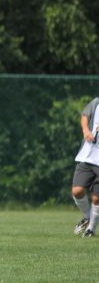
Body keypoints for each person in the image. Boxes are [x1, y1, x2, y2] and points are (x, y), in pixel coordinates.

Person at [72, 97, 99, 237]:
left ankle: (91, 229)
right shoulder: (96, 101)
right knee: (77, 190)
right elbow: (85, 115)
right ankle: (88, 218)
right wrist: (86, 130)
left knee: (96, 198)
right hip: (87, 156)